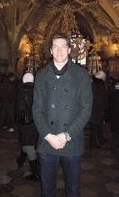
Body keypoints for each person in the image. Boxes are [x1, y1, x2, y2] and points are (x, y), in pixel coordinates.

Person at [32, 33, 93, 197]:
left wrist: (67, 135)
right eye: (55, 47)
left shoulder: (81, 75)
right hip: (47, 142)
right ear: (51, 50)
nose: (59, 50)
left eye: (63, 46)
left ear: (69, 49)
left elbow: (86, 109)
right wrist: (48, 135)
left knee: (73, 191)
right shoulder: (42, 75)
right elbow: (36, 109)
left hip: (71, 141)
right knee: (47, 191)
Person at [15, 73, 39, 181]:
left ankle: (35, 173)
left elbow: (19, 108)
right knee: (28, 142)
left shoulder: (21, 91)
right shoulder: (37, 90)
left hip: (25, 123)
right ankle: (21, 159)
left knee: (29, 146)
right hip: (35, 121)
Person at [89, 71, 109, 149]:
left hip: (94, 109)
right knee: (94, 127)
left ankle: (101, 139)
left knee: (98, 125)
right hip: (96, 109)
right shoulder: (99, 86)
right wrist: (105, 106)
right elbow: (101, 98)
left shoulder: (93, 85)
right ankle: (92, 143)